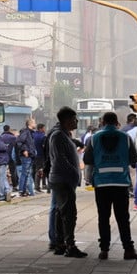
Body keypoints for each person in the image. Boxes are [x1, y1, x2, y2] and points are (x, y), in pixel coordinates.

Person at [83, 111, 137, 260]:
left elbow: (87, 159)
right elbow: (133, 159)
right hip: (120, 182)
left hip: (101, 183)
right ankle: (128, 250)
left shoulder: (94, 138)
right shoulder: (125, 137)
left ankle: (104, 250)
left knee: (103, 217)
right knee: (122, 218)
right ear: (117, 123)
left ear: (102, 122)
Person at [48, 106, 88, 258]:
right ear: (66, 120)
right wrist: (73, 170)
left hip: (64, 179)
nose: (76, 121)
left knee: (61, 212)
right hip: (62, 179)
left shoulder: (64, 135)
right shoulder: (58, 136)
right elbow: (60, 159)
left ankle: (61, 244)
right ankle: (69, 245)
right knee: (69, 213)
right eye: (74, 119)